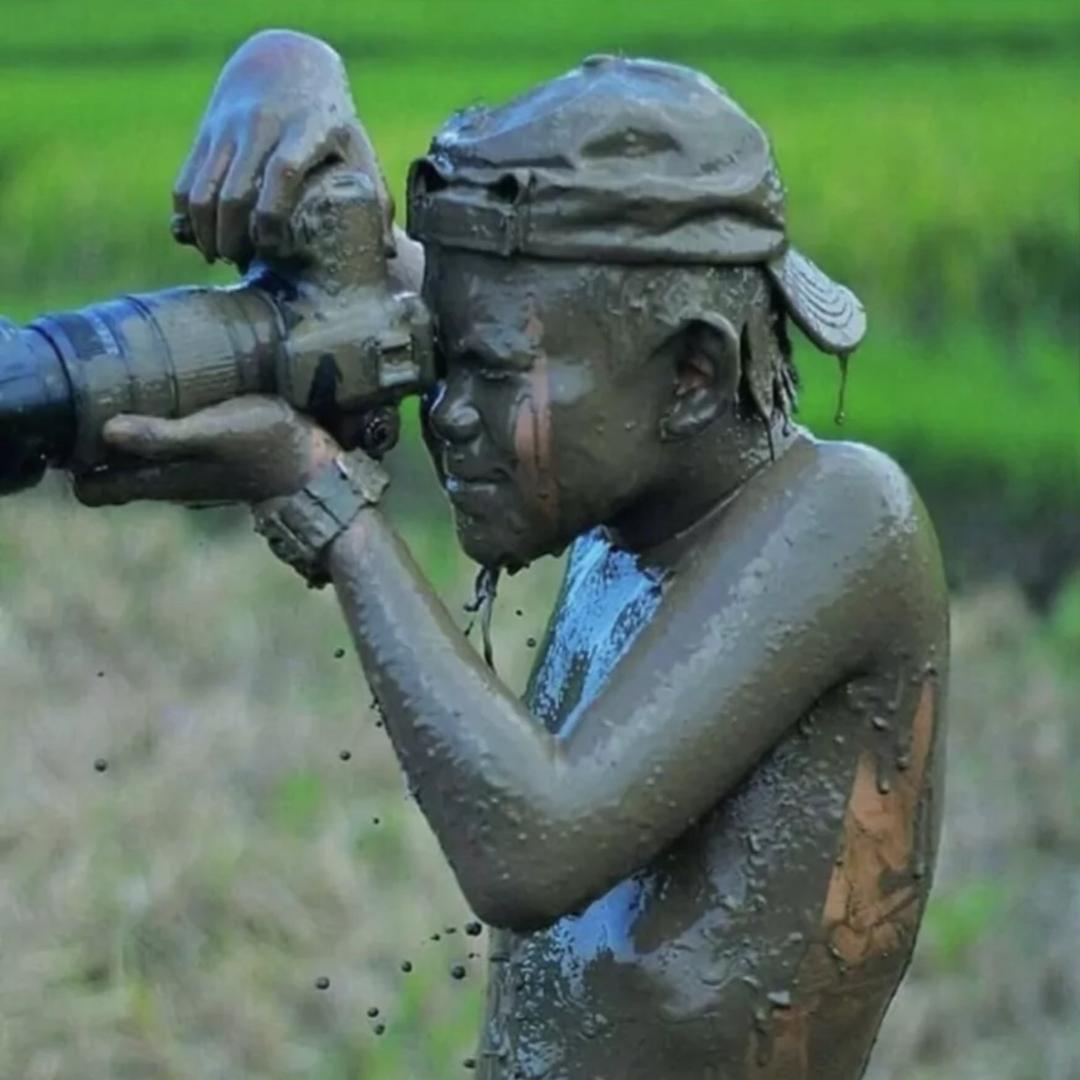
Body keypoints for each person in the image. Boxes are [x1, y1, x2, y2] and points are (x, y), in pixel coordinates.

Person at [75, 30, 949, 1079]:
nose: (445, 412)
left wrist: (318, 497)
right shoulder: (629, 468)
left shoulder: (845, 518)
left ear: (694, 377)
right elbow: (419, 302)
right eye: (442, 363)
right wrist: (287, 65)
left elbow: (533, 844)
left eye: (481, 373)